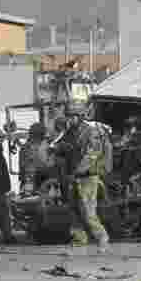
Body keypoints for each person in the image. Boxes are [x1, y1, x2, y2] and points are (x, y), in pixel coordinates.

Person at [62, 101, 111, 252]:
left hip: (88, 176)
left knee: (88, 211)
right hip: (74, 175)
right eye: (68, 116)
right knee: (74, 210)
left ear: (81, 116)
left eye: (72, 116)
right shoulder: (71, 132)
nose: (69, 119)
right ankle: (79, 239)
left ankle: (102, 238)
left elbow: (92, 155)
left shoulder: (91, 132)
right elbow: (68, 149)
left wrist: (77, 170)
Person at [19, 123, 51, 194]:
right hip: (32, 180)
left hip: (40, 180)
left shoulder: (45, 145)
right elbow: (24, 166)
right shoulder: (27, 147)